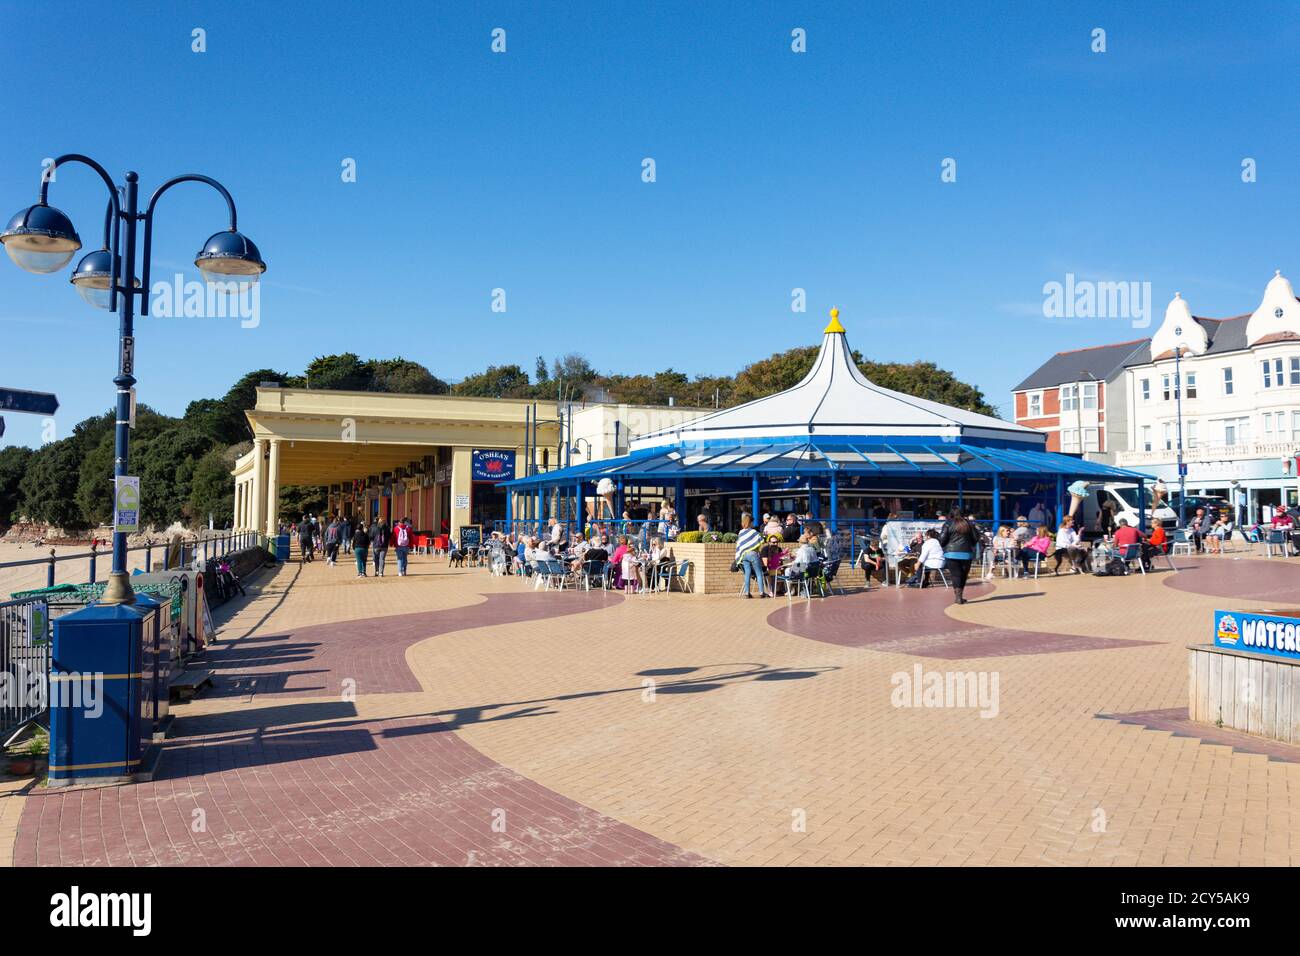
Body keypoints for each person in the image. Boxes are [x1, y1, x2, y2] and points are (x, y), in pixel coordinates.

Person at [938, 508, 978, 604]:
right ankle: (959, 596)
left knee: (955, 575)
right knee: (963, 575)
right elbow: (975, 538)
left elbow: (942, 540)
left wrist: (945, 545)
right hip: (966, 553)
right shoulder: (969, 524)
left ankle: (958, 596)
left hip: (951, 553)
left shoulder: (948, 524)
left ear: (950, 515)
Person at [734, 513, 767, 599]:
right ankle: (761, 592)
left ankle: (747, 593)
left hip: (744, 555)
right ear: (750, 522)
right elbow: (761, 541)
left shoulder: (741, 532)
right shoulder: (753, 532)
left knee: (747, 574)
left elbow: (740, 545)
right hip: (753, 554)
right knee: (759, 573)